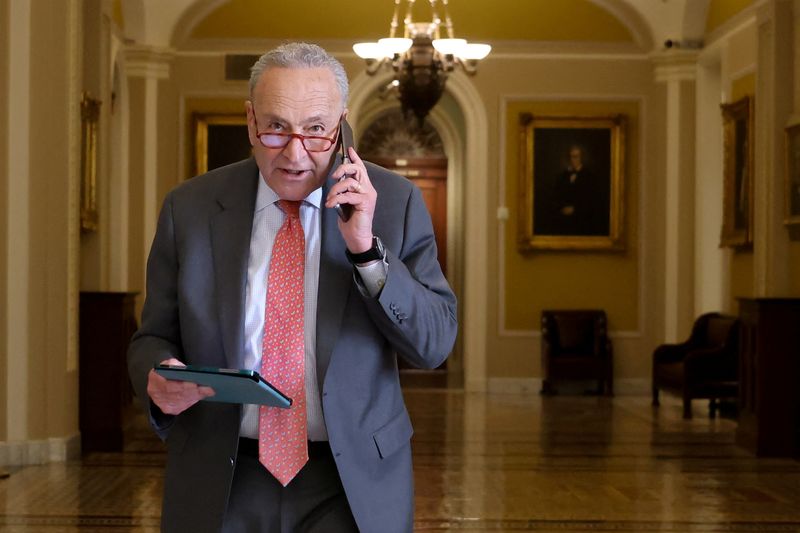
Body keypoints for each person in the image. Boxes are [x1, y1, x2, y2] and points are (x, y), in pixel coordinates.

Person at [127, 42, 457, 533]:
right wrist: (155, 378)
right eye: (276, 127)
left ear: (341, 126)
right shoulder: (190, 209)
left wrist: (366, 250)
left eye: (317, 130)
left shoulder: (395, 203)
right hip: (224, 473)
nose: (296, 153)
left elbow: (433, 345)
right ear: (250, 120)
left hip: (352, 481)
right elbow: (152, 337)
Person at [547, 144, 609, 236]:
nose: (573, 159)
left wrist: (575, 209)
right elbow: (555, 197)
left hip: (583, 222)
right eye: (571, 157)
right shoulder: (562, 176)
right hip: (563, 222)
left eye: (575, 156)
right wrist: (561, 208)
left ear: (581, 158)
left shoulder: (590, 177)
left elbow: (593, 201)